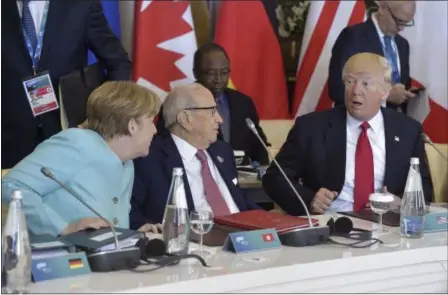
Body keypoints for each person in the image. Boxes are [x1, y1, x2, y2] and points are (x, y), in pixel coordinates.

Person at [263, 53, 433, 216]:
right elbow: (274, 178)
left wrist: (402, 204)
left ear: (385, 91)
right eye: (350, 82)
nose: (355, 91)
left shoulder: (408, 130)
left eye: (366, 84)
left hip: (388, 225)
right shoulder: (311, 127)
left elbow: (423, 190)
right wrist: (309, 199)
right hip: (330, 224)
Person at [2, 81, 160, 237]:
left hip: (101, 259)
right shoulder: (77, 143)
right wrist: (62, 228)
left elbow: (106, 225)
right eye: (151, 122)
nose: (155, 130)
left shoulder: (127, 163)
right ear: (132, 125)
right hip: (57, 258)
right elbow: (12, 185)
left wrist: (130, 237)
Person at [2, 0, 131, 169]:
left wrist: (102, 116)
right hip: (8, 139)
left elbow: (118, 62)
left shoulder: (80, 6)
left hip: (68, 132)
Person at [130, 83, 259, 228]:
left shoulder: (222, 151)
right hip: (194, 243)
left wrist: (266, 219)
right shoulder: (148, 158)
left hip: (242, 237)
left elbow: (239, 200)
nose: (219, 119)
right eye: (212, 111)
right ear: (185, 119)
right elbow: (132, 215)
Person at [156, 43, 270, 165]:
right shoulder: (178, 102)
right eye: (211, 73)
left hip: (242, 177)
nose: (218, 79)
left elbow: (259, 146)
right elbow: (164, 146)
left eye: (224, 72)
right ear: (196, 73)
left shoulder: (243, 103)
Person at [328, 0, 417, 111]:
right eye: (398, 21)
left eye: (406, 23)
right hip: (359, 125)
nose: (401, 28)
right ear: (383, 7)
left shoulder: (403, 45)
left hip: (394, 125)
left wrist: (407, 94)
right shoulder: (353, 37)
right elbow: (337, 89)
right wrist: (385, 96)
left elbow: (401, 87)